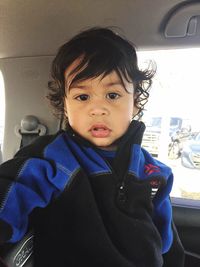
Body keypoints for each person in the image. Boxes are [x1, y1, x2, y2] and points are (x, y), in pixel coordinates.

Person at [0, 27, 185, 267]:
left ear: (136, 102)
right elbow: (9, 197)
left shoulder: (154, 172)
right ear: (65, 106)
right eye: (83, 97)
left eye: (112, 95)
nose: (98, 109)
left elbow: (167, 245)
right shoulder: (50, 161)